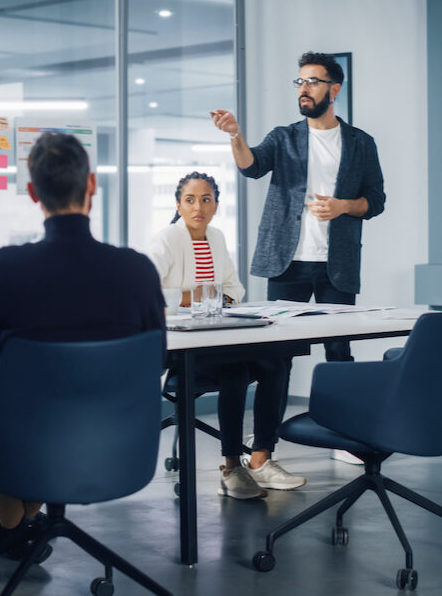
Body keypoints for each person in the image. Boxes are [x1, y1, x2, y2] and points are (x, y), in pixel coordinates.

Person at [0, 132, 165, 559]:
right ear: (91, 184)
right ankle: (19, 522)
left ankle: (12, 522)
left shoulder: (3, 269)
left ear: (34, 192)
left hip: (21, 446)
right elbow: (156, 357)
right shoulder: (138, 271)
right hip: (115, 445)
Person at [210, 51, 385, 362]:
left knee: (338, 350)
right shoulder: (283, 137)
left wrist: (343, 206)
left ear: (334, 89)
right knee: (275, 356)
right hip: (285, 262)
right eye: (300, 82)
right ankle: (270, 414)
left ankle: (339, 412)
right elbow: (252, 166)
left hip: (338, 266)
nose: (304, 89)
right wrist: (236, 135)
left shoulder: (361, 142)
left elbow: (376, 200)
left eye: (313, 82)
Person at [147, 172, 305, 499]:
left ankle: (260, 458)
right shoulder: (166, 240)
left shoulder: (216, 238)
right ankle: (232, 467)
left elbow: (234, 289)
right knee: (235, 369)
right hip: (180, 348)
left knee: (276, 362)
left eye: (206, 199)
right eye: (190, 200)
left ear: (216, 205)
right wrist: (198, 296)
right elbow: (145, 292)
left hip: (220, 333)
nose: (198, 207)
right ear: (179, 204)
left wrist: (209, 296)